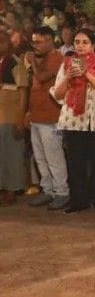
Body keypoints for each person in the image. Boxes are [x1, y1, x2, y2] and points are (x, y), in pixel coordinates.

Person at [50, 29, 95, 214]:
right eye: (77, 42)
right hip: (73, 120)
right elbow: (57, 93)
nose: (80, 46)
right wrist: (69, 77)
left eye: (84, 42)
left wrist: (86, 73)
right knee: (75, 162)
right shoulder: (66, 64)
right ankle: (79, 201)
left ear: (93, 45)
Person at [25, 27, 69, 210]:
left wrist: (32, 62)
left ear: (51, 40)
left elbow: (41, 77)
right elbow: (33, 87)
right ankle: (48, 189)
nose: (35, 45)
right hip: (36, 116)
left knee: (54, 157)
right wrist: (28, 112)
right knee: (40, 158)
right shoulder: (40, 59)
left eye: (39, 41)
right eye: (34, 41)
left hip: (52, 117)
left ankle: (62, 192)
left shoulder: (58, 58)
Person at [0, 30, 28, 206]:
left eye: (2, 42)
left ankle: (12, 189)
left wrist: (20, 118)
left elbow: (23, 90)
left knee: (12, 153)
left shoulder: (15, 62)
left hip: (11, 113)